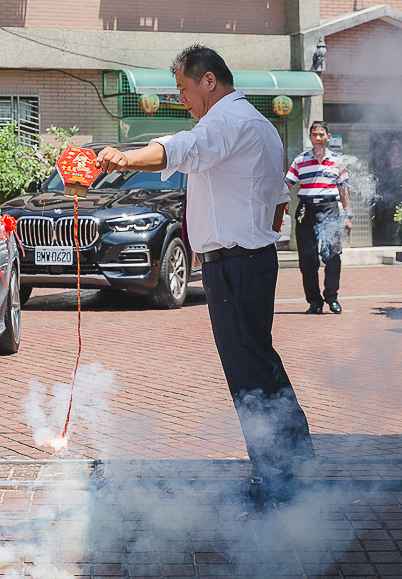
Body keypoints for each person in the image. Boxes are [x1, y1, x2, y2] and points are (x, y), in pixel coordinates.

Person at [95, 45, 314, 502]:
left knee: (247, 369)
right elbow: (278, 203)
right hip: (249, 259)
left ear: (209, 80)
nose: (182, 100)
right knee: (259, 359)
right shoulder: (260, 125)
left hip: (236, 264)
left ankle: (275, 479)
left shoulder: (226, 121)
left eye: (184, 89)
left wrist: (123, 158)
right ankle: (294, 459)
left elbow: (182, 149)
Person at [284, 122, 352, 314]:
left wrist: (348, 216)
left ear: (328, 137)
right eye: (314, 134)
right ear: (310, 138)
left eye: (322, 134)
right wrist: (281, 211)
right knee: (307, 259)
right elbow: (286, 186)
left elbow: (343, 189)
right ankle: (314, 302)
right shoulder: (300, 160)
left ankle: (332, 298)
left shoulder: (338, 161)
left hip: (330, 209)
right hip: (306, 210)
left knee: (332, 256)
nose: (318, 138)